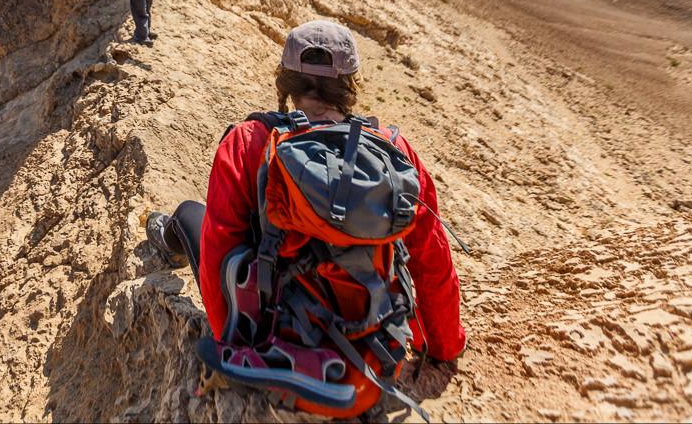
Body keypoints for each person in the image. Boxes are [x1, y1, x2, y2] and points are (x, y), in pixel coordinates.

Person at [145, 21, 465, 413]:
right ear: (351, 83)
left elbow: (218, 258)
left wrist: (234, 346)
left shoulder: (248, 142)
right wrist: (444, 350)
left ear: (287, 82)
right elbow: (432, 260)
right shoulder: (395, 151)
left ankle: (166, 235)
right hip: (372, 364)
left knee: (189, 214)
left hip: (279, 360)